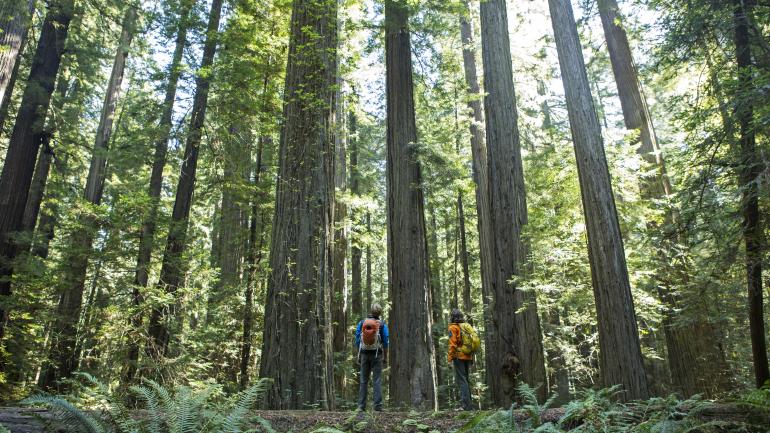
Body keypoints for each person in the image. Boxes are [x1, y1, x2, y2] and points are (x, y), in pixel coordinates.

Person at [354, 303, 389, 411]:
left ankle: (361, 406)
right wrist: (385, 357)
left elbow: (357, 338)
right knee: (377, 380)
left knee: (363, 380)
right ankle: (377, 406)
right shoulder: (382, 324)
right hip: (377, 354)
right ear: (380, 313)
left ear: (371, 311)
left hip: (364, 353)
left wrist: (358, 354)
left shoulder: (362, 322)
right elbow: (386, 341)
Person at [448, 309, 474, 411]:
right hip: (468, 356)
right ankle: (469, 405)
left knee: (462, 381)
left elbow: (452, 344)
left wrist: (450, 359)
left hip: (459, 357)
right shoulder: (466, 327)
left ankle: (466, 406)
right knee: (466, 380)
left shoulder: (453, 327)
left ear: (452, 317)